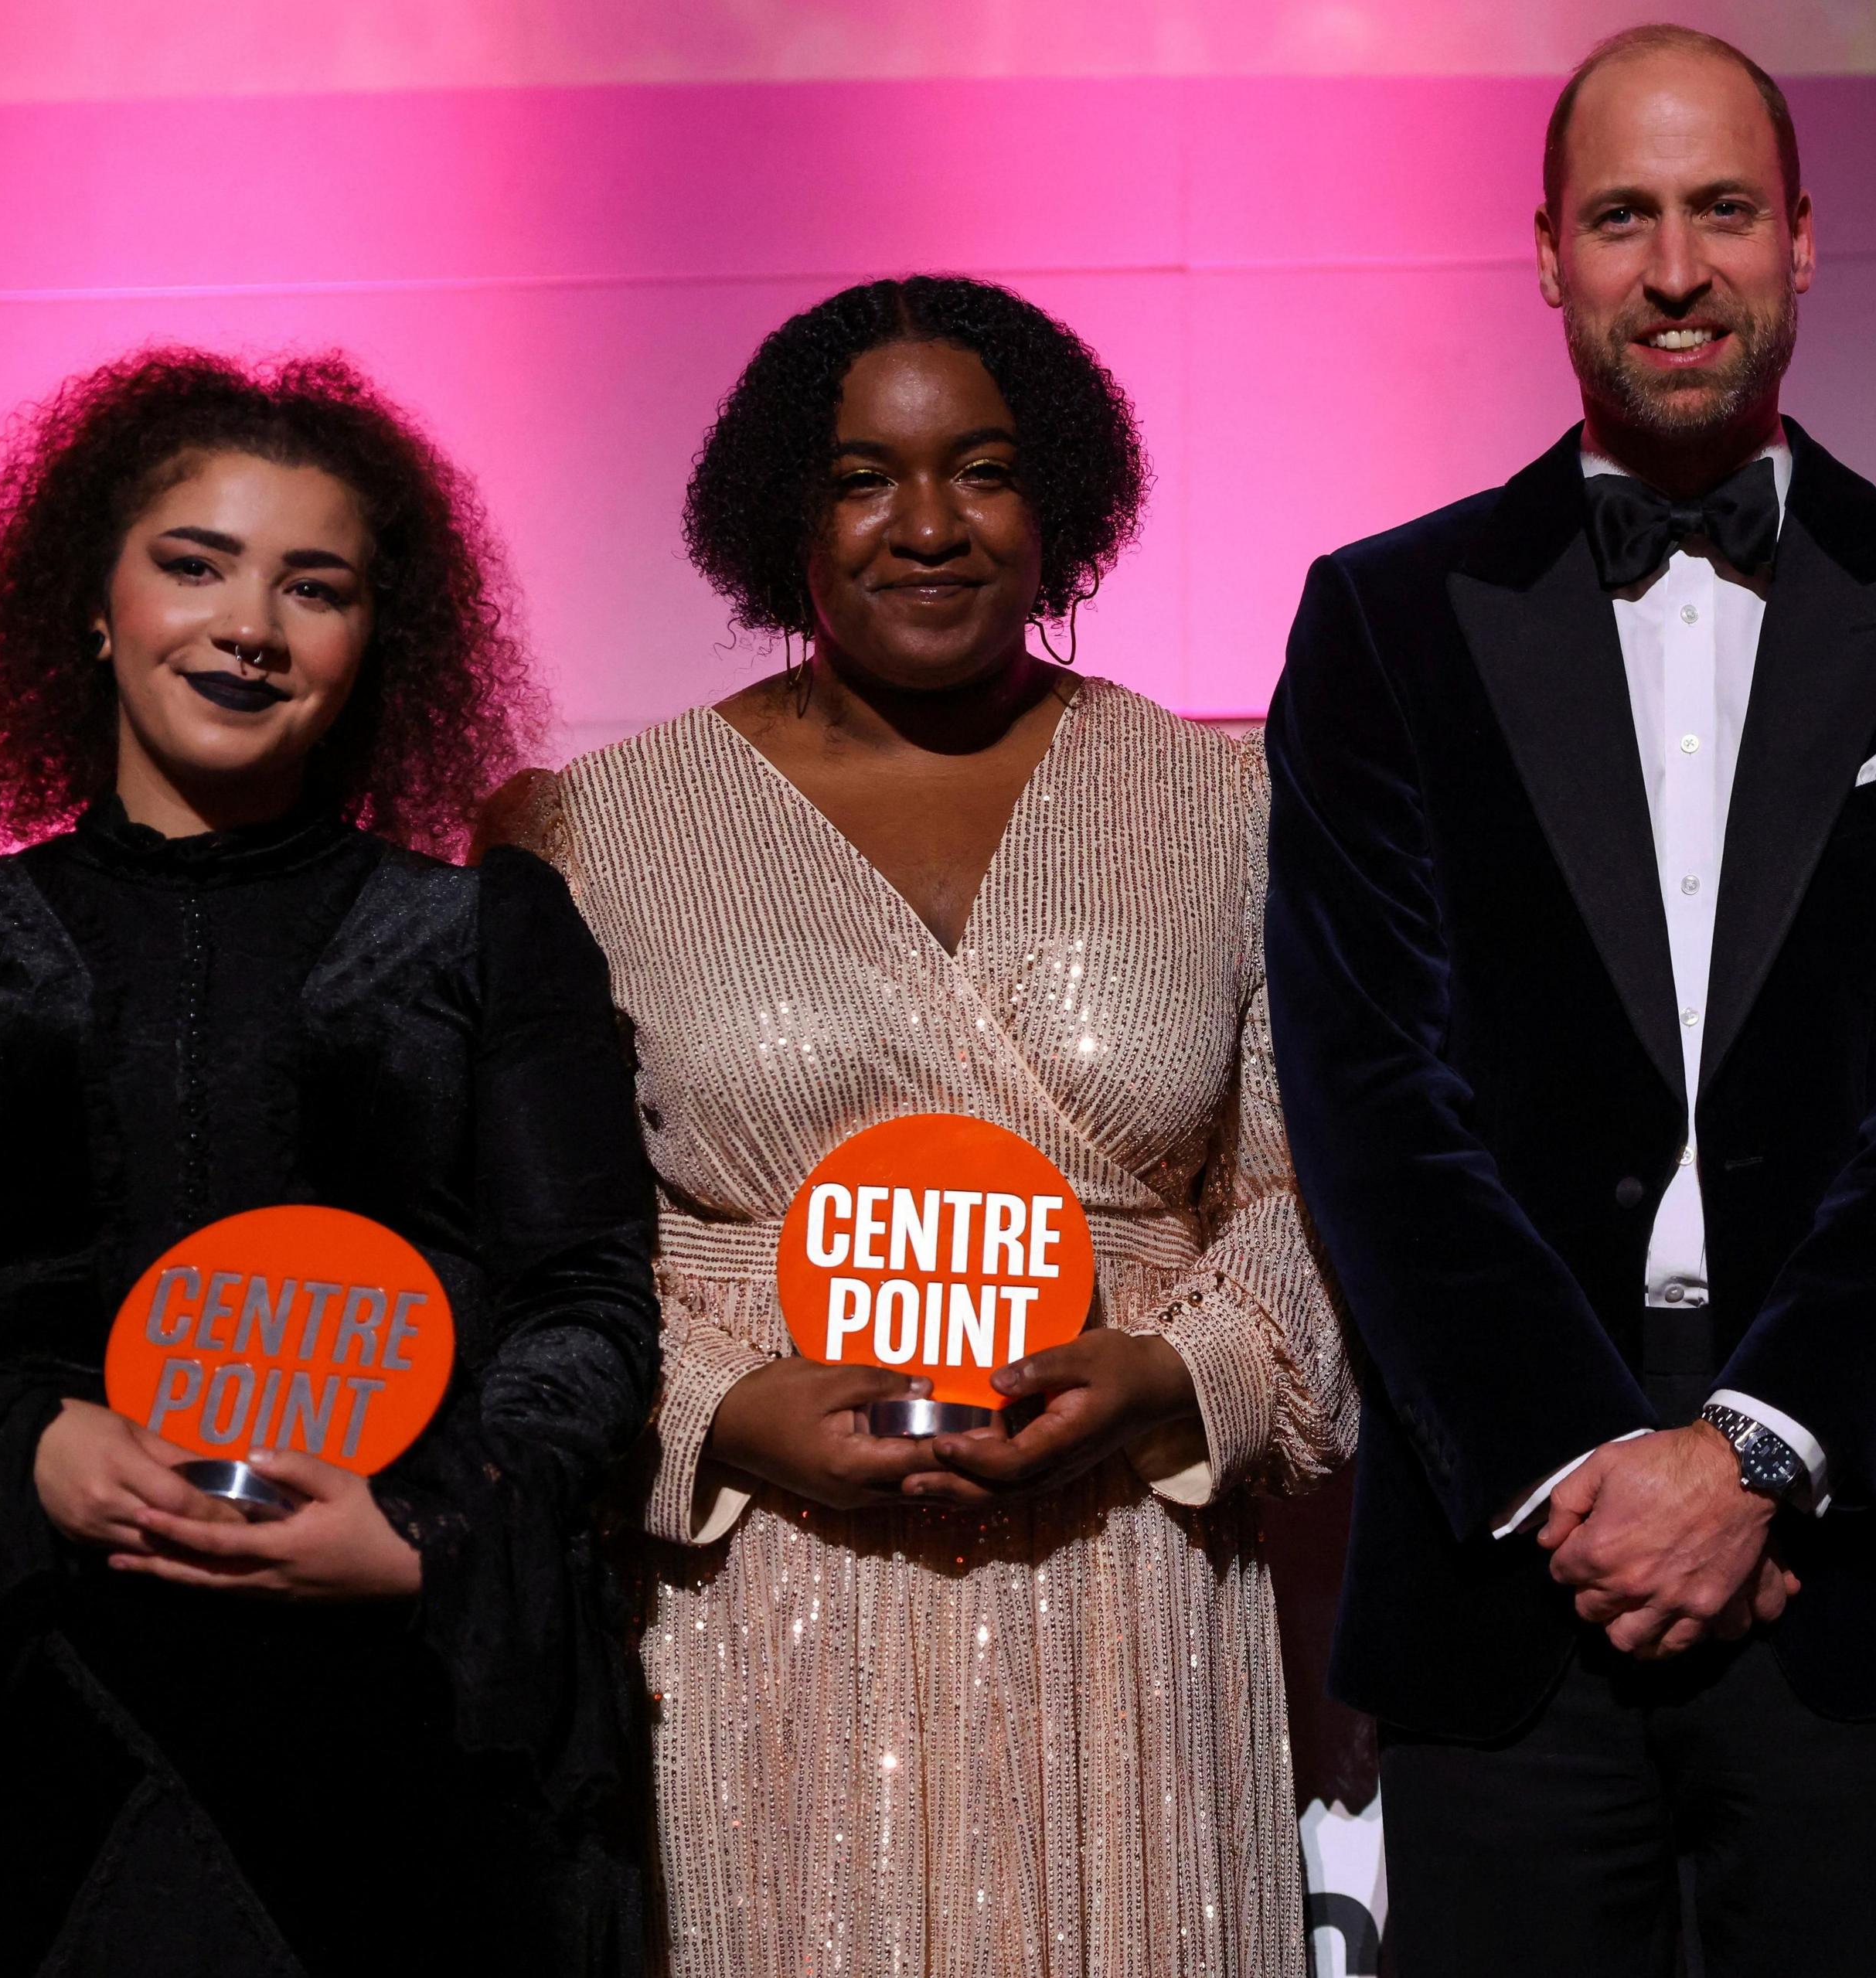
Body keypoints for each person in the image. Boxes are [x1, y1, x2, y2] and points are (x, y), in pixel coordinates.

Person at [1262, 26, 1876, 1976]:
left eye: (1722, 208)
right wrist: (1584, 1467)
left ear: (1804, 240)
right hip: (1508, 1531)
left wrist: (1755, 1450)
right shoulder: (1380, 616)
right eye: (1621, 215)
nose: (1674, 266)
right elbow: (1371, 1087)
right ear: (1544, 255)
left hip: (1855, 1515)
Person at [486, 274, 1355, 1977]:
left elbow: (1309, 1183)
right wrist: (728, 1413)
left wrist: (1172, 1376)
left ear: (1065, 503)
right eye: (864, 477)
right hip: (759, 1601)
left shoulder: (1230, 803)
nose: (931, 524)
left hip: (1131, 1583)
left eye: (985, 468)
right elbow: (540, 1238)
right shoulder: (591, 828)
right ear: (780, 515)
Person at [0, 349, 661, 1975]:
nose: (250, 625)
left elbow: (583, 1303)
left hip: (397, 1716)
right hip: (19, 1710)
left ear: (376, 643)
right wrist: (27, 1441)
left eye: (317, 587)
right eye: (195, 564)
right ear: (91, 602)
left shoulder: (483, 937)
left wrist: (427, 1532)